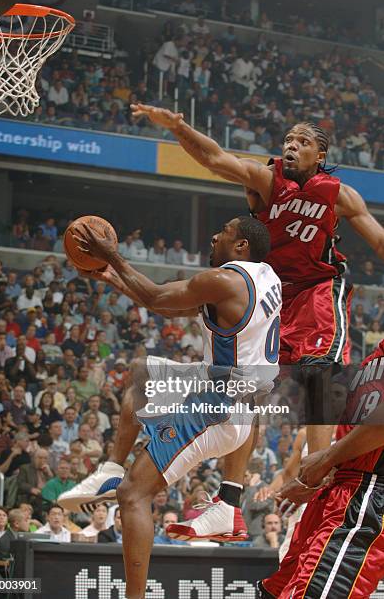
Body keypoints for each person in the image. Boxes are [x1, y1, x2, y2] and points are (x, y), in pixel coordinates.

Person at [128, 103, 384, 534]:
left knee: (316, 376)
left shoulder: (338, 193)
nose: (290, 146)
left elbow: (378, 239)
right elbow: (214, 159)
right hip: (276, 291)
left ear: (319, 155)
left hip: (320, 289)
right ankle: (229, 501)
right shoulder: (269, 180)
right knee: (251, 388)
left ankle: (314, 492)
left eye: (301, 142)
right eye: (287, 140)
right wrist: (178, 126)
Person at [59, 215, 281, 596]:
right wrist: (116, 279)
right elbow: (177, 307)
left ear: (241, 246)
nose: (215, 235)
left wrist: (113, 256)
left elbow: (158, 297)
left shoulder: (224, 279)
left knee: (133, 494)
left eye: (225, 232)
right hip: (237, 391)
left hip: (218, 405)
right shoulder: (267, 277)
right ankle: (112, 467)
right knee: (143, 373)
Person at [258, 340, 384, 598]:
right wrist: (316, 479)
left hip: (368, 492)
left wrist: (324, 461)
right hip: (341, 485)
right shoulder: (373, 358)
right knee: (277, 590)